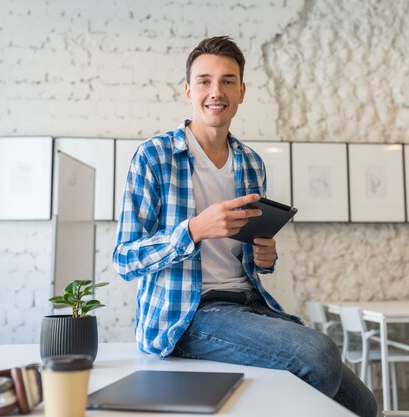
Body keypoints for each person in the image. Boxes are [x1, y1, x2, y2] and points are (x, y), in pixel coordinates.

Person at [112, 36, 377, 417]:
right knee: (318, 355)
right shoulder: (153, 156)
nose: (215, 91)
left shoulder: (250, 163)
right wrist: (194, 229)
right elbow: (124, 259)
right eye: (204, 81)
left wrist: (265, 255)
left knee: (364, 407)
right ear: (188, 91)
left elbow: (250, 254)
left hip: (249, 304)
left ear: (242, 92)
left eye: (227, 81)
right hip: (188, 315)